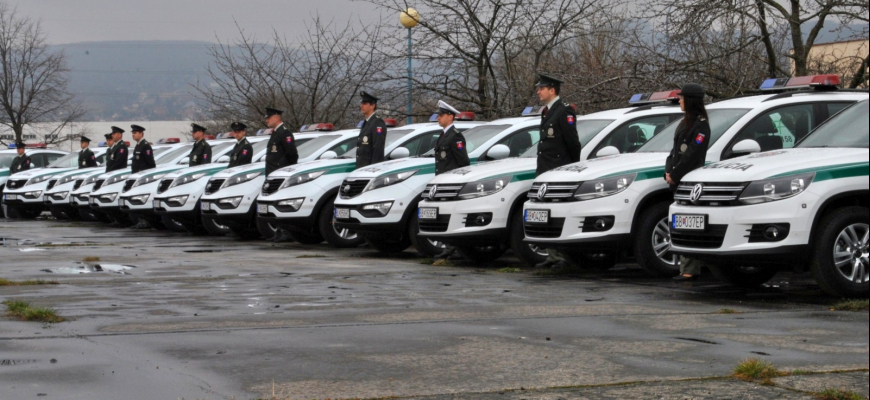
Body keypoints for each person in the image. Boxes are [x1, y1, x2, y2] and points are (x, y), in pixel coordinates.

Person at [532, 73, 582, 270]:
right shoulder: (546, 112)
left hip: (559, 170)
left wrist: (570, 169)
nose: (538, 91)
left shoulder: (564, 111)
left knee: (557, 214)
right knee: (546, 213)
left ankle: (563, 257)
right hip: (546, 170)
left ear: (552, 90)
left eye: (542, 88)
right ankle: (552, 255)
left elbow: (573, 143)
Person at [665, 83, 711, 282]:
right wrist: (668, 170)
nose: (680, 101)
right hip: (677, 180)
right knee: (681, 224)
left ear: (691, 100)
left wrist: (676, 174)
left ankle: (690, 269)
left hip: (690, 181)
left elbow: (693, 154)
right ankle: (686, 267)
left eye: (683, 98)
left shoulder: (701, 125)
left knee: (689, 223)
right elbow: (674, 152)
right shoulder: (683, 123)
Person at [431, 101, 471, 260]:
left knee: (451, 215)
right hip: (443, 181)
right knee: (443, 215)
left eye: (441, 115)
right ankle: (448, 246)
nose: (438, 118)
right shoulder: (443, 135)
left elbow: (463, 161)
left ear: (450, 116)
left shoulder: (455, 136)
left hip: (452, 183)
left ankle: (454, 248)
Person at [263, 107, 299, 243]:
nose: (266, 120)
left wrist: (287, 171)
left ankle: (286, 232)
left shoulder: (285, 133)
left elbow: (292, 154)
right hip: (273, 175)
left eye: (269, 117)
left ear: (277, 117)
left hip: (281, 176)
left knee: (282, 204)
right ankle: (279, 230)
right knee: (274, 204)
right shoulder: (275, 133)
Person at [356, 91, 388, 169]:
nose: (361, 106)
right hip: (362, 167)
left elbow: (378, 147)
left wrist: (375, 167)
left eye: (364, 103)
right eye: (361, 103)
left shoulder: (377, 123)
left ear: (372, 105)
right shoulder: (366, 122)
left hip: (370, 168)